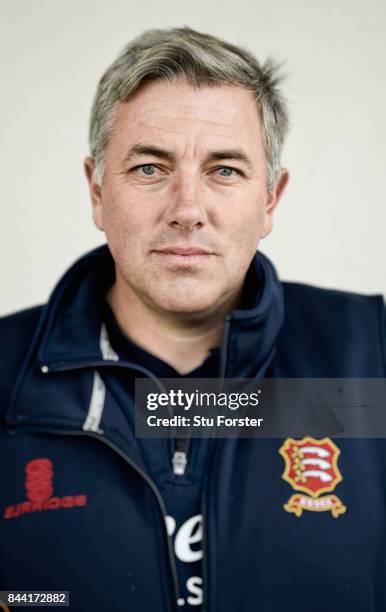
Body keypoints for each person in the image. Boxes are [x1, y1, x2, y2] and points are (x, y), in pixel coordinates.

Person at [0, 26, 385, 612]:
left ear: (271, 200)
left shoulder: (371, 356)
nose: (186, 209)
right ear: (97, 191)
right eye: (150, 168)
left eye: (224, 170)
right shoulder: (7, 374)